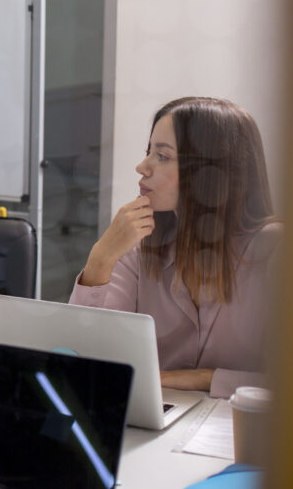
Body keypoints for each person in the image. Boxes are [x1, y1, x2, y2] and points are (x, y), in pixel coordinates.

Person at [70, 96, 280, 399]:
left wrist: (203, 379)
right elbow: (85, 358)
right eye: (148, 153)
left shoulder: (275, 251)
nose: (142, 167)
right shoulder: (140, 247)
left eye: (163, 156)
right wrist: (101, 258)